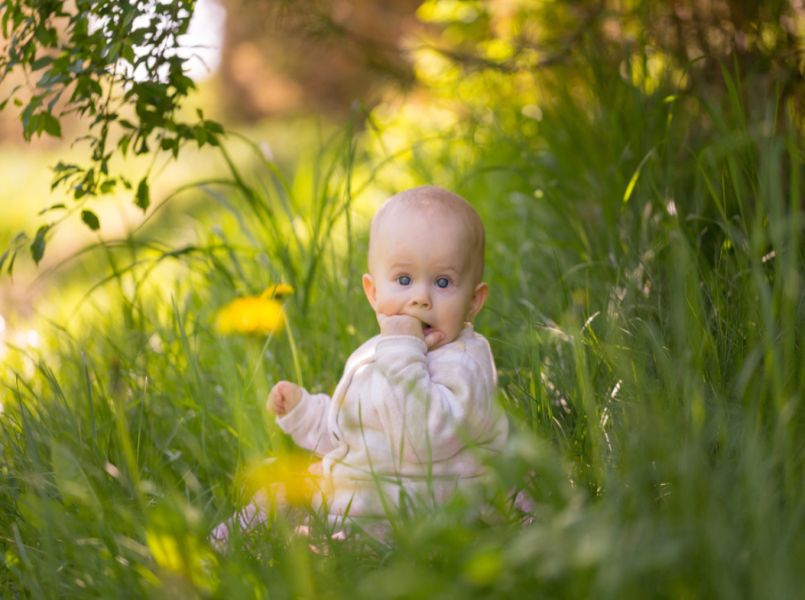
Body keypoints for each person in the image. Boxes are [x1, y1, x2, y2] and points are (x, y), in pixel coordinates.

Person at [212, 185, 509, 546]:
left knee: (319, 539)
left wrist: (402, 348)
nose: (420, 298)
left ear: (474, 301)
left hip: (412, 513)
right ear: (373, 293)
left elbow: (421, 440)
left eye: (443, 282)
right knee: (274, 497)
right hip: (360, 494)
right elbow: (356, 430)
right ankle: (210, 558)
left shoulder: (463, 364)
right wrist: (307, 412)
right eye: (403, 280)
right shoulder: (380, 351)